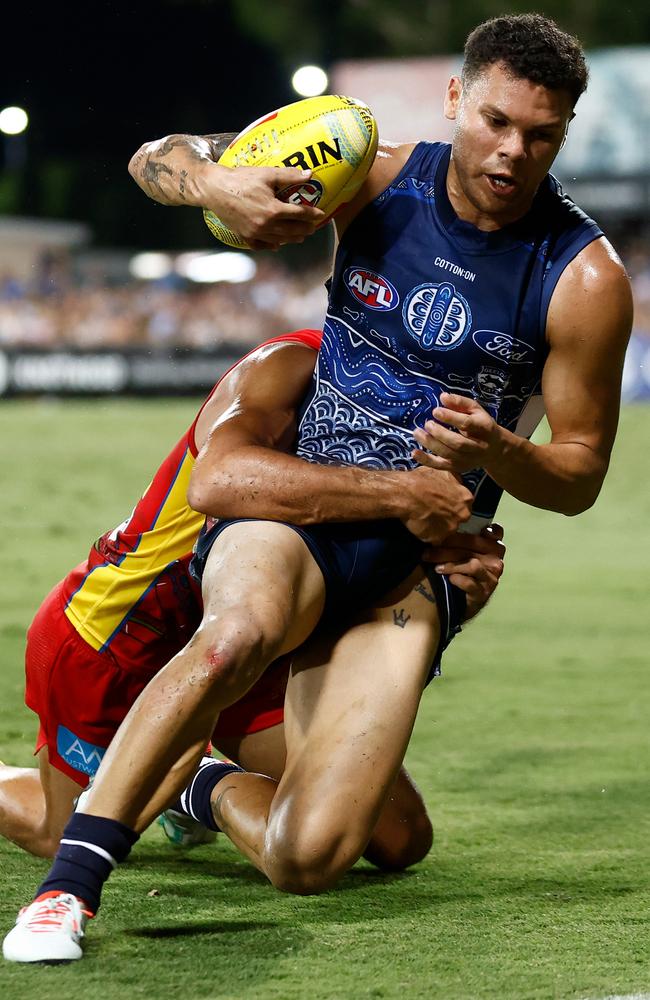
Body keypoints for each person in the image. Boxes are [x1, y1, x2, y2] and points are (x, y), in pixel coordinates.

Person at [4, 12, 632, 963]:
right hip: (297, 522)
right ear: (455, 98)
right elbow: (159, 155)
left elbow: (580, 472)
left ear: (565, 132)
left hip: (409, 576)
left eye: (540, 136)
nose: (512, 153)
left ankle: (192, 785)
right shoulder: (368, 173)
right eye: (496, 121)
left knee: (318, 854)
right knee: (236, 635)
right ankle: (66, 894)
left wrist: (502, 451)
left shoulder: (583, 280)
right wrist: (216, 183)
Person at [0, 327, 502, 862]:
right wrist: (400, 497)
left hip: (256, 647)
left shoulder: (439, 424)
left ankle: (200, 785)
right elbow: (217, 484)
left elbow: (373, 588)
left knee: (399, 836)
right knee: (58, 833)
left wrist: (453, 595)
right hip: (127, 631)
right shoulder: (292, 362)